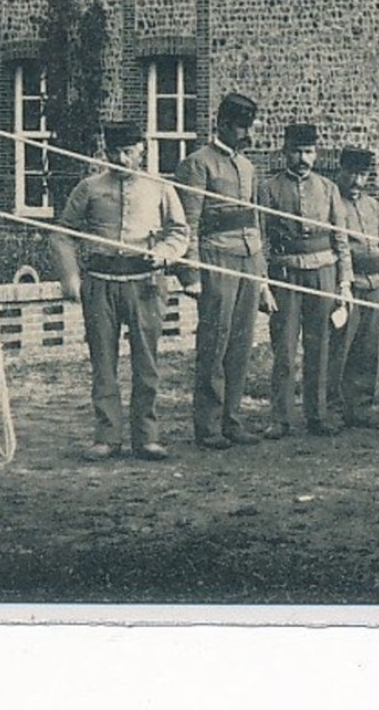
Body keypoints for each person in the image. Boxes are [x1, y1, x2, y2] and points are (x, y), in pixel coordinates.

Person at [51, 122, 190, 462]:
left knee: (147, 361)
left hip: (144, 284)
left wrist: (165, 253)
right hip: (100, 282)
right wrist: (70, 277)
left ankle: (147, 437)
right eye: (114, 152)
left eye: (128, 152)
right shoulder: (89, 188)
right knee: (103, 361)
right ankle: (107, 436)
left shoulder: (160, 188)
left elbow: (180, 232)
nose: (121, 159)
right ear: (106, 152)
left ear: (142, 151)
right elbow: (61, 234)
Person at [175, 93, 272, 451]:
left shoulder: (247, 167)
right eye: (241, 127)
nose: (247, 134)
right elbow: (188, 223)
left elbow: (255, 223)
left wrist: (261, 278)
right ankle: (208, 425)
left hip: (248, 260)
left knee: (241, 344)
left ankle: (232, 419)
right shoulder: (197, 164)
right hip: (216, 260)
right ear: (224, 125)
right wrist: (192, 275)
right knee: (215, 342)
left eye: (249, 126)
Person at [258, 123, 352, 439]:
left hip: (323, 273)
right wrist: (263, 283)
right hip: (285, 274)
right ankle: (280, 417)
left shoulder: (328, 189)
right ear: (285, 152)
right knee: (284, 347)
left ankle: (318, 414)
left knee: (320, 347)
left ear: (316, 153)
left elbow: (341, 239)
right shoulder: (269, 189)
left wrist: (344, 284)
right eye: (297, 151)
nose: (303, 158)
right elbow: (261, 240)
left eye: (309, 152)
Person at [327, 147, 379, 429]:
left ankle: (361, 407)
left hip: (374, 283)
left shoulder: (373, 205)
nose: (357, 181)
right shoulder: (332, 202)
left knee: (368, 348)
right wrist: (344, 284)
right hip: (347, 285)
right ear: (340, 171)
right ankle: (334, 409)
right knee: (341, 347)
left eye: (363, 174)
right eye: (351, 173)